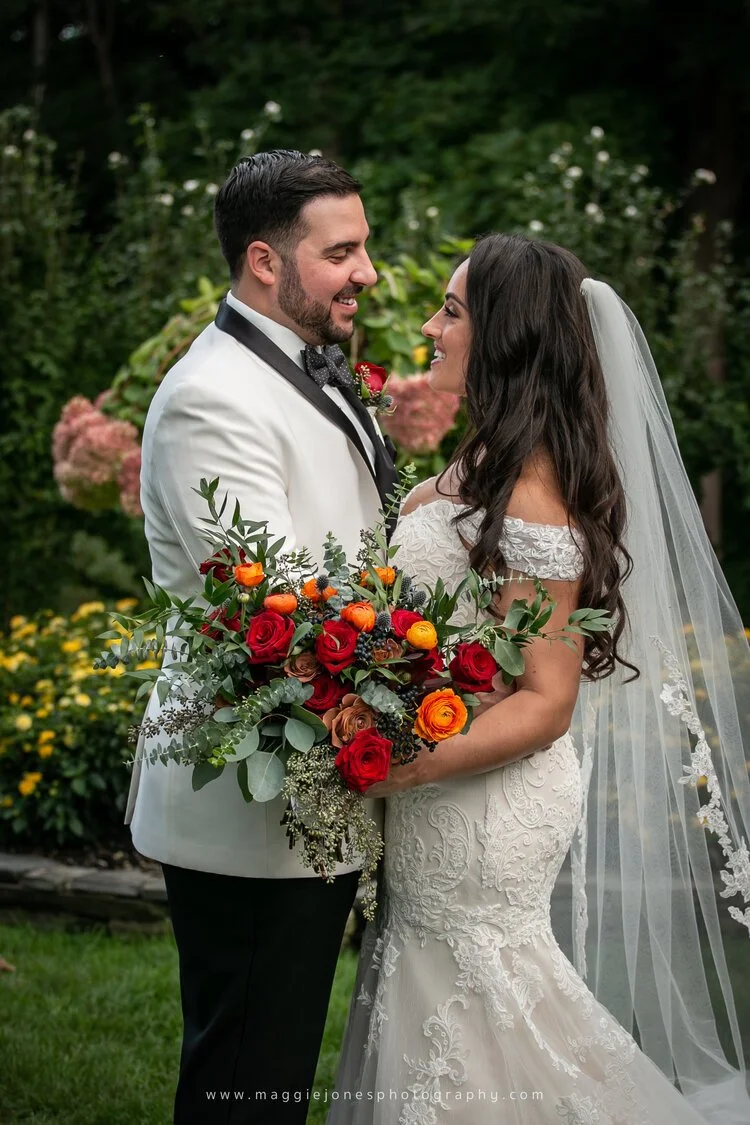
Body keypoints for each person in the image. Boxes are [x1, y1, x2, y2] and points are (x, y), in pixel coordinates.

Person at [329, 233, 750, 1123]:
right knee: (443, 995)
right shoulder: (484, 463)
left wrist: (399, 762)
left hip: (485, 801)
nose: (431, 328)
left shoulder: (529, 492)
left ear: (507, 335)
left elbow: (549, 701)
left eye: (451, 311)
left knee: (480, 1001)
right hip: (445, 773)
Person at [124, 150, 398, 1124]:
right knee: (246, 1080)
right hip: (253, 808)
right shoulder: (214, 399)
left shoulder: (298, 364)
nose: (368, 271)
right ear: (265, 263)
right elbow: (274, 615)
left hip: (312, 791)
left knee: (271, 1068)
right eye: (344, 251)